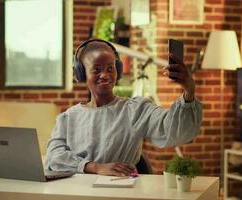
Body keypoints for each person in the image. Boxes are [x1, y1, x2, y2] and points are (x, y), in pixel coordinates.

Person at [45, 38, 202, 177]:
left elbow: (177, 132)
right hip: (76, 193)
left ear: (118, 71)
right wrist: (94, 167)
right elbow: (53, 157)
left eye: (110, 68)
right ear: (81, 74)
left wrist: (189, 90)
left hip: (121, 190)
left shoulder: (136, 110)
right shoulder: (68, 117)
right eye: (96, 70)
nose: (105, 75)